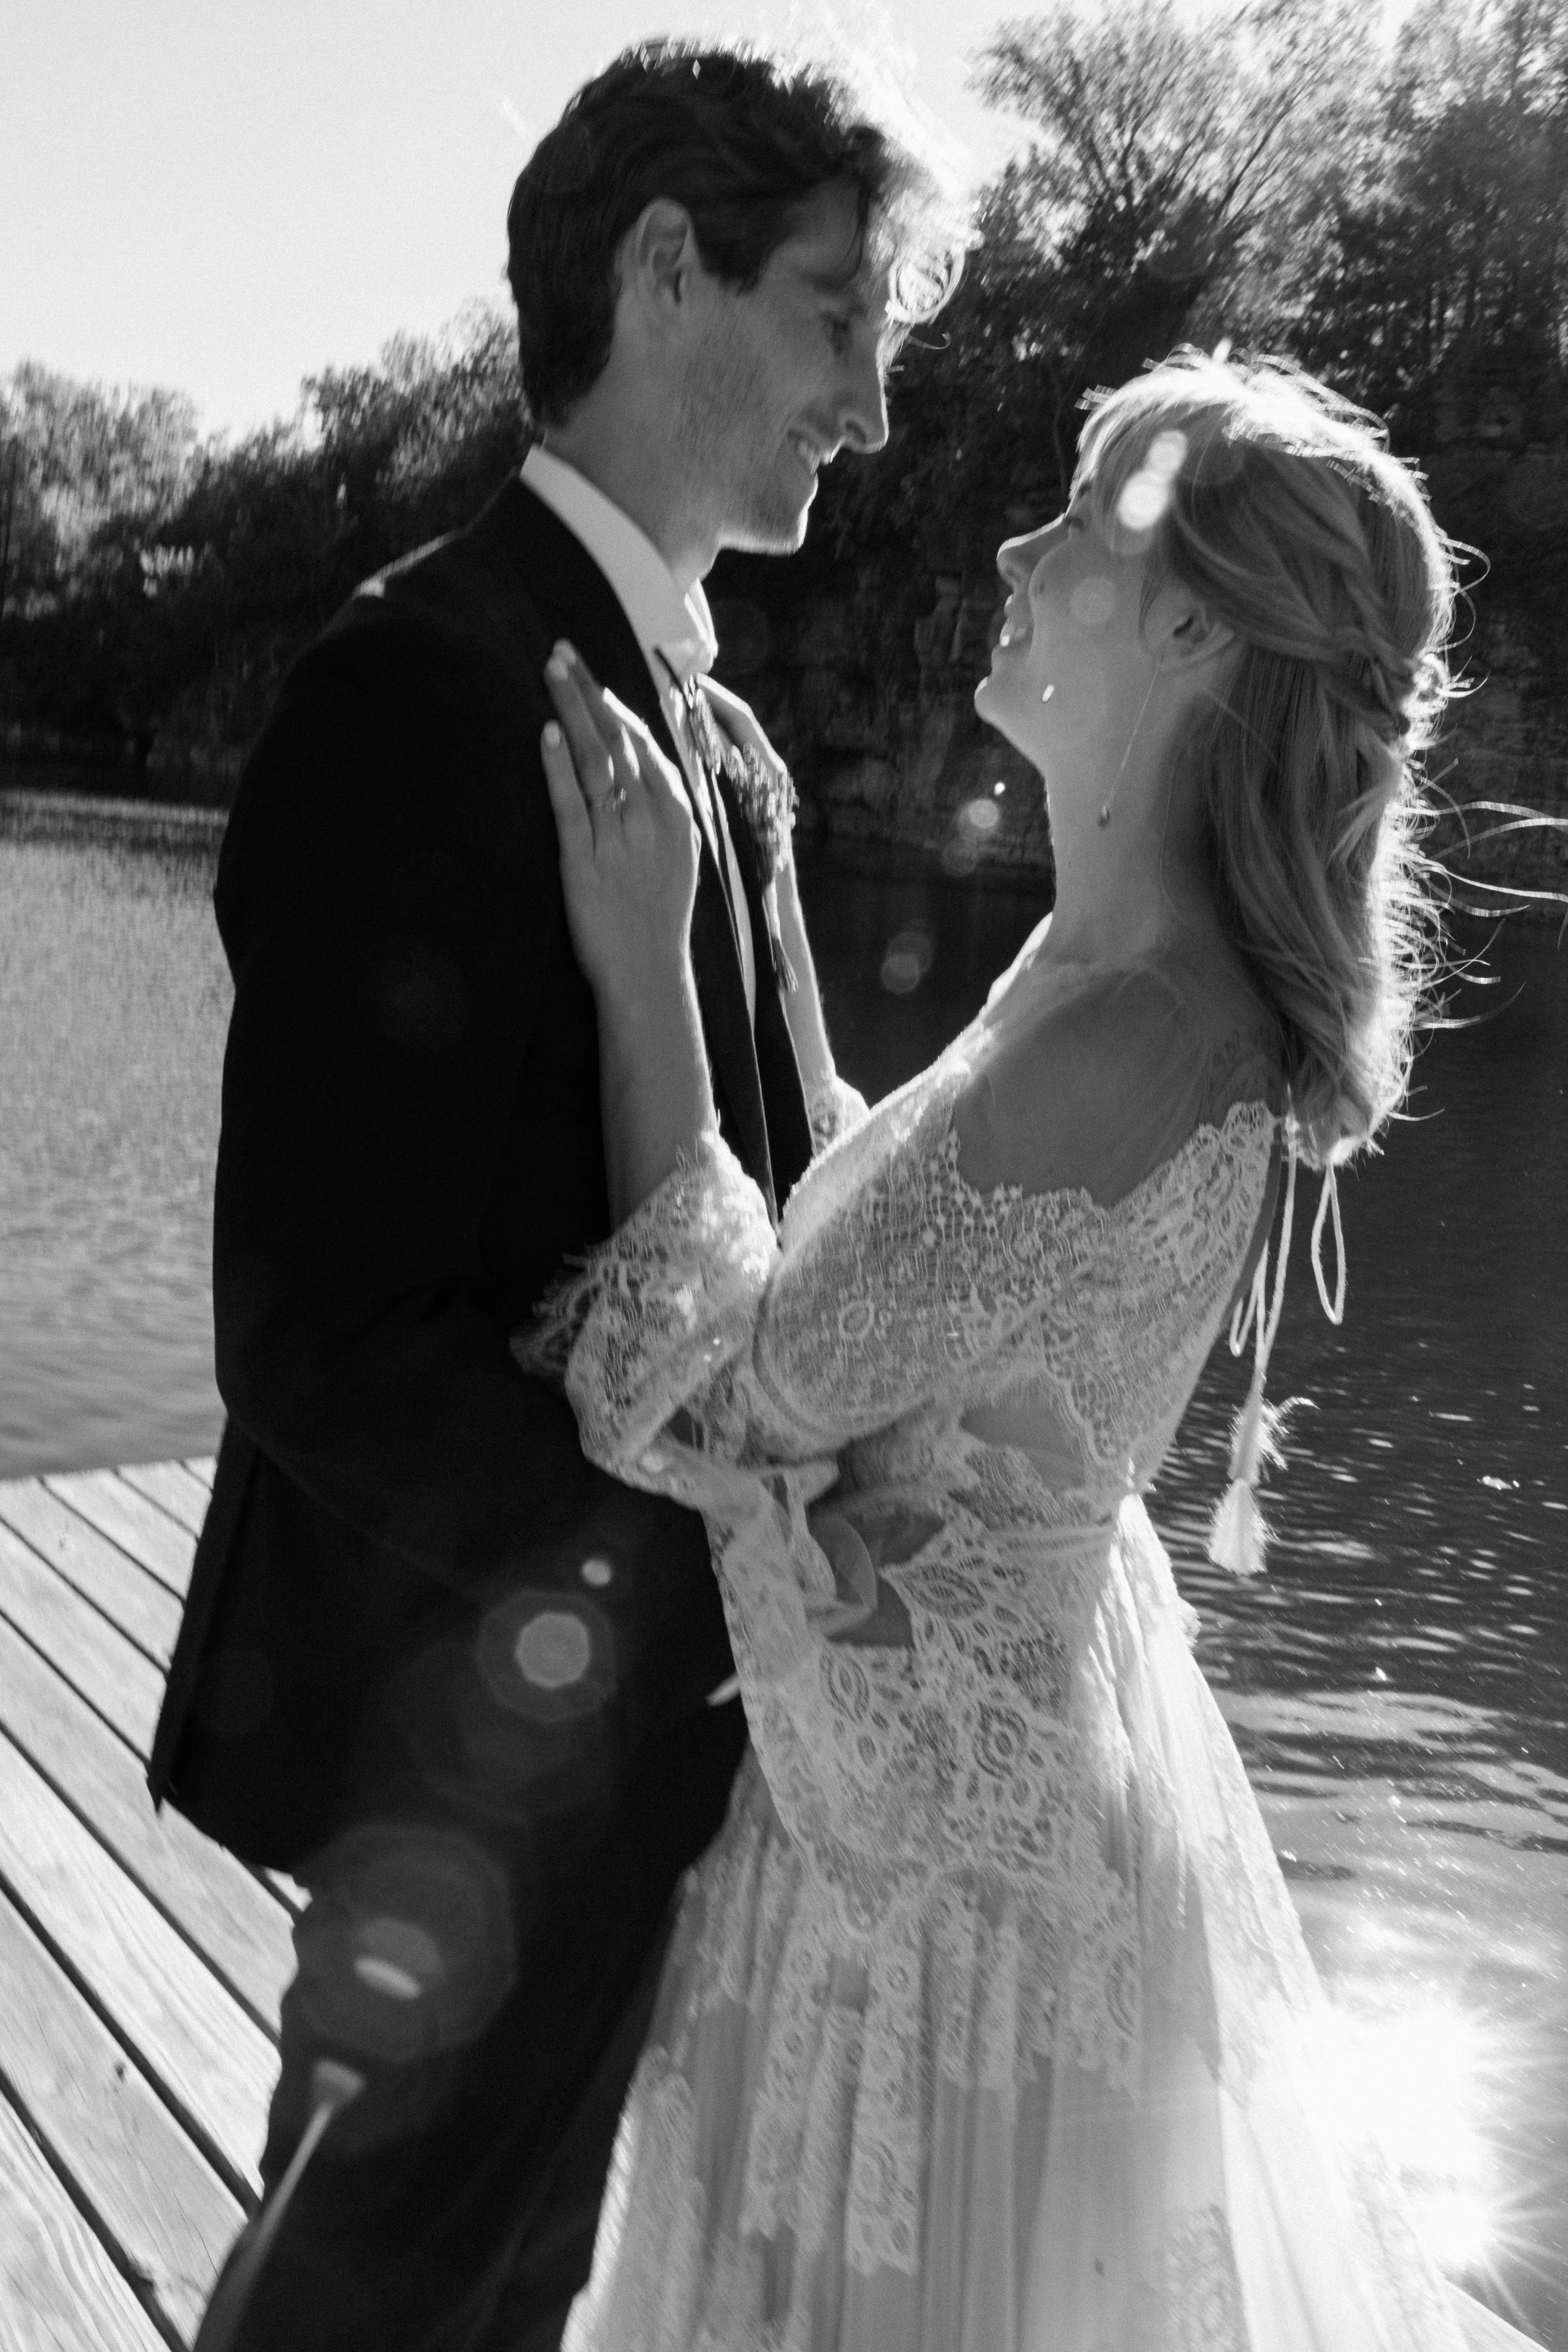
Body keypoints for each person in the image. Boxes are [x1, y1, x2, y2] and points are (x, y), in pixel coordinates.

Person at [526, 351, 1544, 2349]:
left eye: (1076, 516)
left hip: (924, 1921)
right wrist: (767, 884)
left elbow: (727, 1399)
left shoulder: (1127, 1037)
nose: (1010, 544)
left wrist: (643, 968)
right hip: (927, 1820)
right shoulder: (1107, 974)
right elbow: (897, 1240)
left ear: (1186, 624)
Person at [150, 41, 962, 2352]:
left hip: (648, 1752)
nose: (876, 403)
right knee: (372, 2313)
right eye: (838, 313)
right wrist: (708, 1585)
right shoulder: (425, 687)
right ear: (666, 271)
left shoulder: (708, 726)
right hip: (478, 1751)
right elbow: (320, 1337)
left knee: (502, 2303)